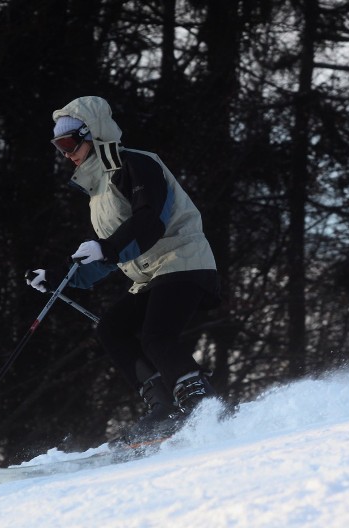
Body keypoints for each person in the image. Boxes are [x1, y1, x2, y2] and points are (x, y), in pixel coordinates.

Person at [27, 95, 222, 443]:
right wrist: (58, 279)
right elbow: (109, 255)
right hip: (149, 276)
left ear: (93, 134)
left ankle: (202, 405)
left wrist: (108, 246)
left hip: (184, 262)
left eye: (70, 142)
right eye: (59, 147)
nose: (67, 153)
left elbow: (151, 221)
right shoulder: (97, 193)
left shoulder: (138, 164)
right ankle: (163, 405)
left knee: (156, 335)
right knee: (111, 328)